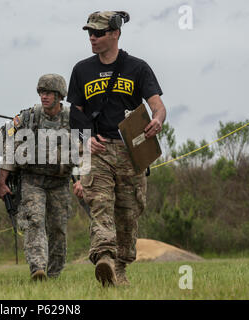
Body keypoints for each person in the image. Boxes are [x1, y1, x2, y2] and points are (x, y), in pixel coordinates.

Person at [68, 11, 167, 286]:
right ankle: (104, 257)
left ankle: (119, 269)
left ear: (115, 34)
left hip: (131, 151)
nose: (92, 38)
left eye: (98, 33)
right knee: (100, 203)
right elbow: (74, 113)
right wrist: (86, 137)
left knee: (128, 211)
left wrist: (157, 120)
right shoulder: (81, 70)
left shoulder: (138, 67)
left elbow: (157, 106)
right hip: (96, 150)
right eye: (89, 33)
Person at [0, 74, 75, 281]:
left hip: (59, 183)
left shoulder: (72, 118)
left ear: (59, 96)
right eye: (41, 92)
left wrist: (83, 181)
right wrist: (2, 181)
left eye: (48, 93)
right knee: (34, 221)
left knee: (58, 228)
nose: (44, 97)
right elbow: (10, 145)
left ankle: (55, 273)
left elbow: (84, 151)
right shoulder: (28, 117)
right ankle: (37, 268)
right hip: (33, 181)